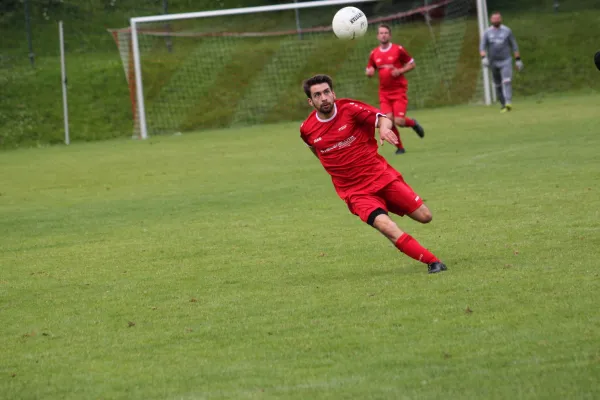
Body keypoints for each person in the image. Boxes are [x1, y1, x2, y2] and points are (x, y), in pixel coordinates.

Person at [299, 74, 447, 274]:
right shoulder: (307, 129)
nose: (324, 98)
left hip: (381, 176)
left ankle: (390, 204)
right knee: (386, 226)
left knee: (425, 216)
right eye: (317, 95)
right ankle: (434, 262)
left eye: (326, 92)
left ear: (333, 93)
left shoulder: (349, 109)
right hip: (355, 192)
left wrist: (384, 130)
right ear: (310, 101)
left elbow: (383, 118)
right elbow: (316, 151)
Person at [365, 23, 424, 155]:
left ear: (390, 35)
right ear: (377, 36)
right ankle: (400, 148)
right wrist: (369, 72)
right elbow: (370, 68)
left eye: (386, 33)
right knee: (388, 121)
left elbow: (412, 64)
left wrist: (400, 70)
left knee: (399, 121)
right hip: (384, 93)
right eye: (381, 33)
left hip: (398, 91)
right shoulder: (374, 53)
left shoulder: (398, 50)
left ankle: (413, 123)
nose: (383, 35)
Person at [479, 12, 523, 112]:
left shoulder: (507, 31)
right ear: (491, 20)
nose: (496, 21)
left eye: (497, 19)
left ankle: (508, 102)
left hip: (505, 60)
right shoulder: (487, 32)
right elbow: (482, 47)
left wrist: (518, 60)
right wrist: (483, 58)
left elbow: (514, 46)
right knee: (497, 84)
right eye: (494, 19)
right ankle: (503, 104)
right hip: (493, 62)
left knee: (506, 81)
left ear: (501, 19)